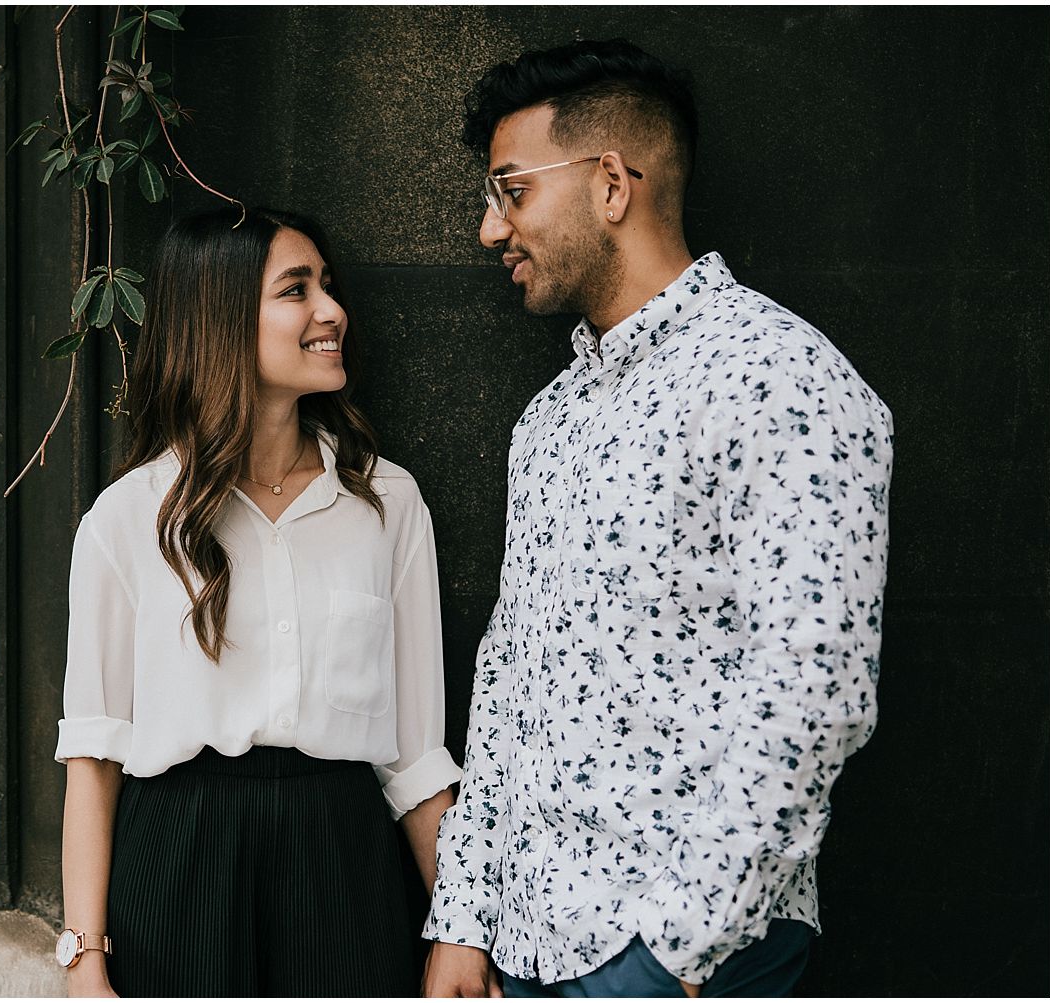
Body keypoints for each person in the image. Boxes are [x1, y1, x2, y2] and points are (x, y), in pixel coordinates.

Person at [422, 39, 893, 998]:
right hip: (525, 949)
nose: (488, 228)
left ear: (609, 183)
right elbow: (510, 676)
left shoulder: (780, 378)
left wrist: (674, 956)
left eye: (510, 190)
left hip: (690, 961)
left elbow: (816, 689)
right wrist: (465, 919)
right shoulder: (548, 420)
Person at [54, 207, 461, 997]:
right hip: (178, 862)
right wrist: (85, 956)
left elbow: (416, 758)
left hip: (343, 867)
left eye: (328, 287)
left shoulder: (387, 503)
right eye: (295, 290)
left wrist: (460, 930)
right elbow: (94, 760)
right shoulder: (129, 518)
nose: (331, 311)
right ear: (221, 316)